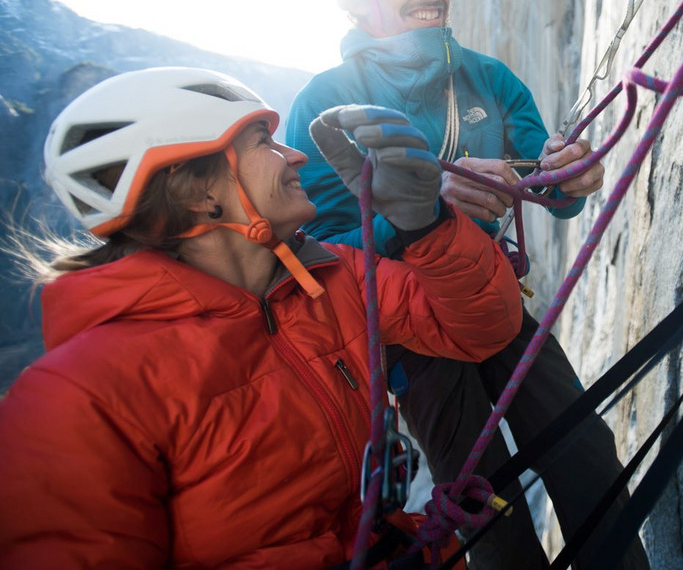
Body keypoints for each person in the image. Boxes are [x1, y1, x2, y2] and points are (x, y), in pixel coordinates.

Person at [0, 66, 524, 569]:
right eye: (262, 142)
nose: (294, 155)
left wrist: (425, 225)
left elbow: (479, 328)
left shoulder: (332, 277)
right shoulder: (80, 395)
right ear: (198, 192)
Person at [287, 0, 649, 569]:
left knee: (584, 449)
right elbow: (322, 241)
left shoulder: (487, 78)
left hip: (492, 297)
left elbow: (543, 181)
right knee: (482, 502)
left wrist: (569, 177)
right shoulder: (324, 101)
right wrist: (423, 209)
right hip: (412, 330)